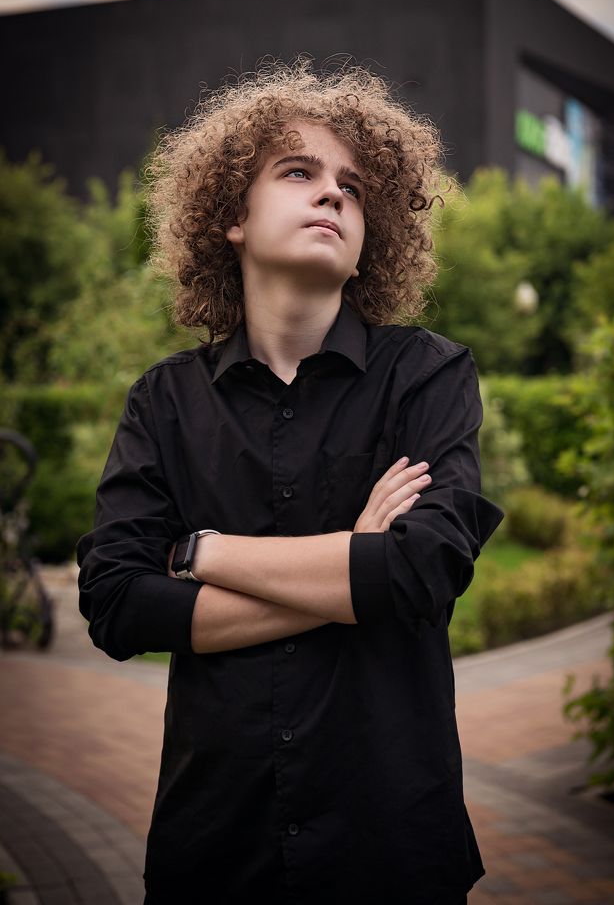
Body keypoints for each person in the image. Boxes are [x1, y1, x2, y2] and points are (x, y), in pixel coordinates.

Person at [77, 59, 503, 905]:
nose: (333, 193)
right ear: (231, 217)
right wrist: (354, 562)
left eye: (353, 186)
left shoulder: (426, 375)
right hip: (215, 847)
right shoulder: (164, 401)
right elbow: (116, 604)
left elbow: (422, 569)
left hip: (389, 847)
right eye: (299, 172)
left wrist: (200, 553)